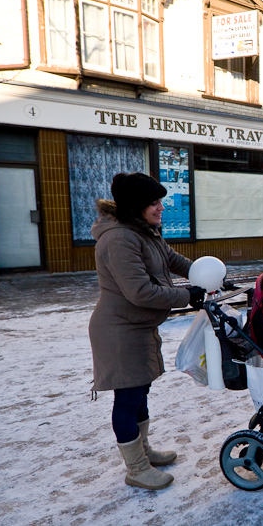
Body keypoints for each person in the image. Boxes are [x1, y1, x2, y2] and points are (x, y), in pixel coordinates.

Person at [89, 172, 205, 490]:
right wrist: (189, 296)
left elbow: (170, 259)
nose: (160, 208)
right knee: (128, 399)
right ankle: (137, 468)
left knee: (140, 393)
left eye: (160, 202)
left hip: (139, 327)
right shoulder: (119, 238)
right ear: (137, 206)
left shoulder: (144, 231)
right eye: (154, 203)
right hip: (119, 330)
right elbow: (140, 291)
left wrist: (206, 275)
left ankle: (143, 450)